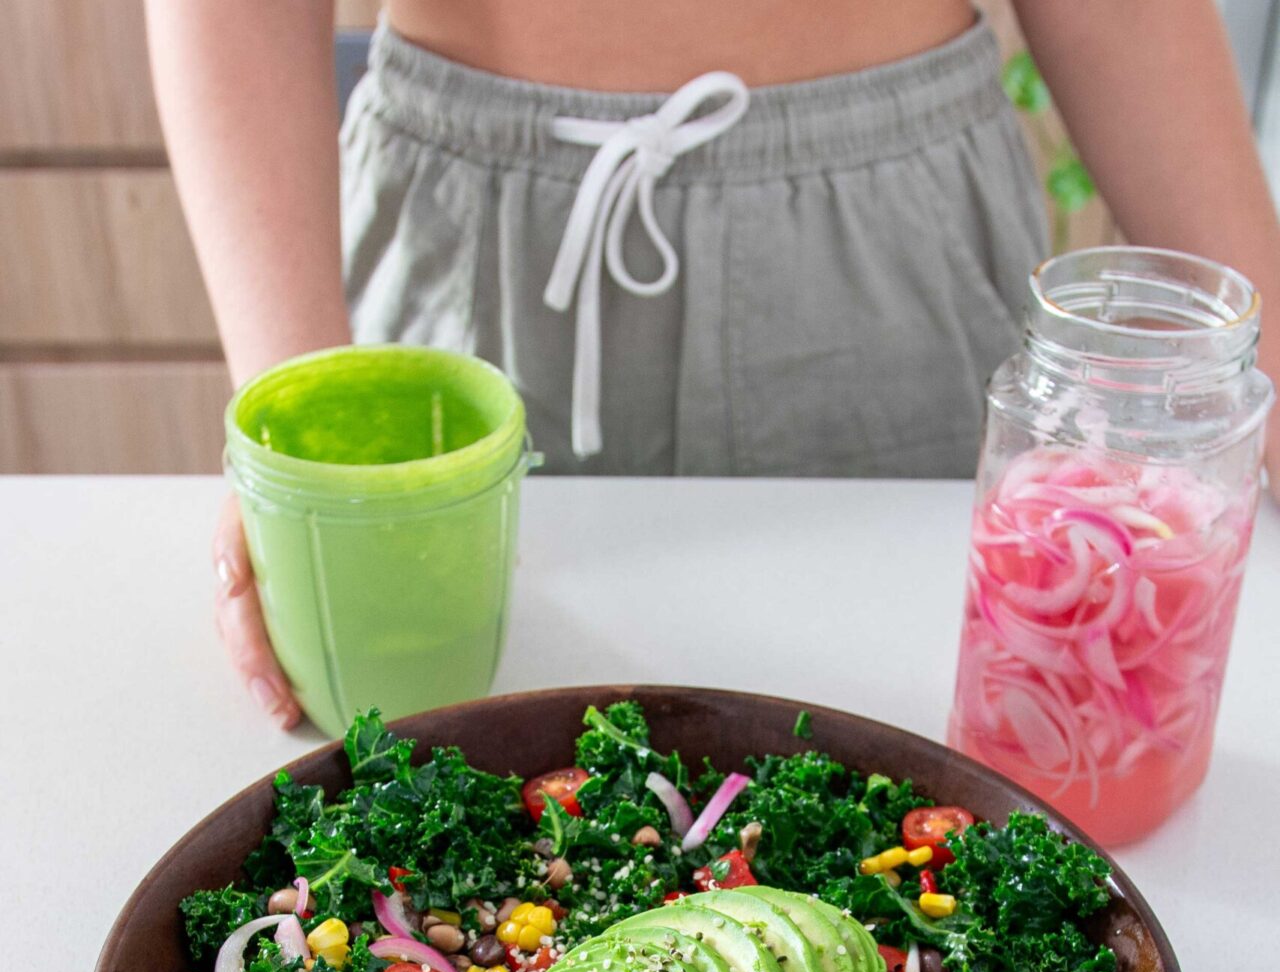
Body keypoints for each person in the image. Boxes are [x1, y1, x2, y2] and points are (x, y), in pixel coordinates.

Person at [147, 0, 1280, 729]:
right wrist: (291, 429)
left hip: (894, 241)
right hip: (468, 253)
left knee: (930, 787)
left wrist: (1259, 364)